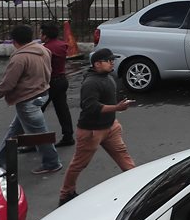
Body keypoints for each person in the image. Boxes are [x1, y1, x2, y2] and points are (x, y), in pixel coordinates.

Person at [58, 48, 136, 205]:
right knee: (79, 163)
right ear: (97, 64)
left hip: (110, 127)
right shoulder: (91, 83)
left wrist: (117, 109)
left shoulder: (107, 77)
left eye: (112, 59)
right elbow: (90, 107)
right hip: (91, 131)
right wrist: (117, 108)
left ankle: (138, 186)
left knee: (125, 159)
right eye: (109, 60)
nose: (112, 62)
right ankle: (66, 193)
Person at [0, 24, 62, 175]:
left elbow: (8, 83)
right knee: (15, 132)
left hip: (27, 100)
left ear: (14, 41)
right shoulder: (44, 50)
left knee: (39, 135)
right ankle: (0, 161)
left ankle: (52, 162)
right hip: (42, 94)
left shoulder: (20, 58)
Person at [39, 22, 74, 147]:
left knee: (36, 111)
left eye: (41, 33)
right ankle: (68, 135)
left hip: (50, 82)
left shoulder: (45, 49)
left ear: (45, 35)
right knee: (62, 109)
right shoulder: (61, 45)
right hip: (62, 79)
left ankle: (33, 139)